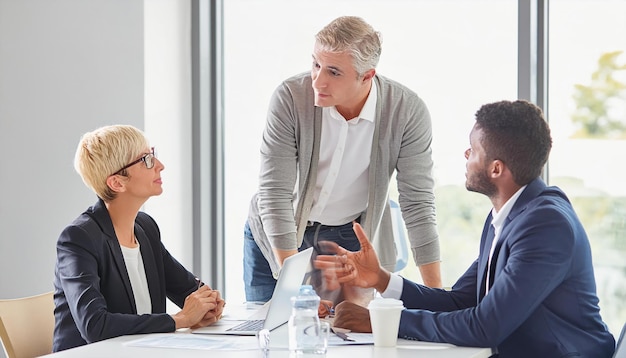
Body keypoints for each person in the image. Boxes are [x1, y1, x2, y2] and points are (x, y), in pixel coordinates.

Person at [314, 100, 616, 357]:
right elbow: (462, 301)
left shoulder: (545, 226)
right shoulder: (509, 213)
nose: (466, 156)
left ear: (496, 169)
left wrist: (383, 321)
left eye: (473, 150)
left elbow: (485, 327)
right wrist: (381, 279)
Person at [244, 15, 441, 305]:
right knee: (271, 332)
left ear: (367, 75)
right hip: (277, 234)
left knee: (347, 337)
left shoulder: (407, 112)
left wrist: (437, 298)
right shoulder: (290, 98)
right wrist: (297, 289)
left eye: (334, 72)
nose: (318, 80)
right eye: (315, 64)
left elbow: (418, 206)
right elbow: (274, 194)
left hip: (346, 241)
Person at [53, 125, 225, 352]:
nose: (160, 166)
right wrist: (180, 320)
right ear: (117, 182)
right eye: (146, 160)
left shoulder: (145, 227)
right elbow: (95, 326)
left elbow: (190, 290)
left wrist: (208, 304)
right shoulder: (78, 239)